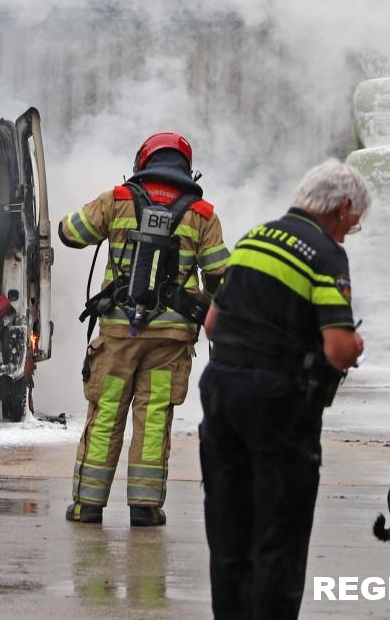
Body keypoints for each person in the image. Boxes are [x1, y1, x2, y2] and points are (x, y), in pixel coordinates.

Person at [200, 159, 367, 619]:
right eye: (353, 224)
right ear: (342, 207)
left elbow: (213, 325)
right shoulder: (326, 254)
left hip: (221, 394)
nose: (349, 233)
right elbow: (336, 348)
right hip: (279, 403)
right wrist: (353, 345)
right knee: (281, 533)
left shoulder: (255, 238)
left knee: (229, 531)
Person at [61, 132, 230, 527]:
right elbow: (221, 275)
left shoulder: (118, 199)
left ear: (143, 161)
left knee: (105, 414)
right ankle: (145, 507)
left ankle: (88, 506)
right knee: (153, 418)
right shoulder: (203, 214)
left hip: (119, 335)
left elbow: (70, 233)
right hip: (170, 342)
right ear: (186, 167)